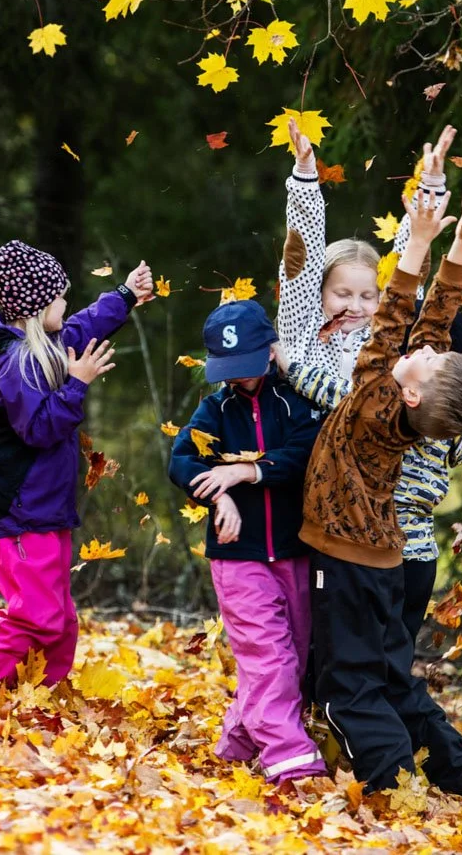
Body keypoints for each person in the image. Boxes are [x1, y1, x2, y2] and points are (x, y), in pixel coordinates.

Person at [301, 181, 462, 808]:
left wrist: (416, 241)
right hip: (388, 560)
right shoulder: (409, 399)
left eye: (432, 361)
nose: (426, 349)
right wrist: (458, 245)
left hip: (350, 562)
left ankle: (389, 784)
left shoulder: (372, 403)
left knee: (347, 688)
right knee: (393, 676)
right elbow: (432, 323)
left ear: (412, 393)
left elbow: (390, 321)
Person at [280, 119, 462, 644]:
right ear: (320, 293)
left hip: (361, 512)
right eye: (342, 293)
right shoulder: (304, 335)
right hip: (307, 492)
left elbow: (406, 272)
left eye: (368, 298)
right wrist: (304, 176)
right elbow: (298, 260)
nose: (356, 307)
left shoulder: (385, 352)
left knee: (355, 637)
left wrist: (429, 193)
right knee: (307, 629)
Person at [0, 240, 154, 686]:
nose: (67, 304)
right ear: (36, 307)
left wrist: (124, 296)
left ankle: (43, 696)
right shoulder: (16, 365)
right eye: (60, 297)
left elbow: (83, 327)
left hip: (45, 508)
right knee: (37, 616)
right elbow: (41, 429)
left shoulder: (44, 345)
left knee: (60, 618)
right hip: (18, 511)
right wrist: (76, 385)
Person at [168, 299, 327, 784]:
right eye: (228, 370)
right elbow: (181, 462)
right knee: (267, 656)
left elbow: (305, 453)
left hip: (294, 550)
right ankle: (294, 763)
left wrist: (248, 470)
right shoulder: (214, 409)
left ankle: (236, 744)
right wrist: (220, 498)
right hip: (237, 558)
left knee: (293, 659)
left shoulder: (295, 401)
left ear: (271, 351)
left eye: (247, 367)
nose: (238, 379)